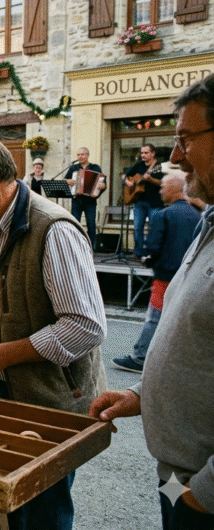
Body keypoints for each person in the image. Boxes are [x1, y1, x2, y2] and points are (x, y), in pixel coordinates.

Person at [0, 134, 106, 530]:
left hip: (50, 403)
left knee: (43, 514)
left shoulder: (54, 229)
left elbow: (86, 326)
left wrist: (3, 354)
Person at [90, 73, 214, 530]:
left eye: (184, 138)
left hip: (202, 491)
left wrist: (202, 494)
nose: (175, 158)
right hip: (178, 476)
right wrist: (142, 394)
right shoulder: (209, 222)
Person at [112, 170, 200, 373]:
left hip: (165, 275)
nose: (160, 191)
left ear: (173, 189)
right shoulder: (196, 215)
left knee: (154, 317)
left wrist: (146, 258)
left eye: (162, 187)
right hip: (187, 275)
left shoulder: (163, 214)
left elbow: (153, 247)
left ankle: (140, 357)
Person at [124, 143, 165, 258]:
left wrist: (151, 179)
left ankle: (152, 253)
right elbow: (125, 175)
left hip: (155, 202)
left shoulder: (159, 166)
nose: (143, 155)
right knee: (137, 228)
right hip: (139, 201)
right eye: (142, 153)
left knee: (154, 228)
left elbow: (163, 183)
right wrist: (127, 181)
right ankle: (138, 252)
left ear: (153, 153)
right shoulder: (139, 165)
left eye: (146, 153)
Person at [64, 148, 106, 249]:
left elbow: (102, 182)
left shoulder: (95, 167)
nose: (80, 157)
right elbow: (65, 179)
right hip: (76, 200)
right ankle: (75, 246)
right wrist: (68, 181)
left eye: (82, 154)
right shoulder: (73, 168)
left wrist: (102, 186)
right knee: (75, 224)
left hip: (90, 201)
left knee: (91, 224)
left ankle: (91, 247)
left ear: (87, 155)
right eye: (78, 155)